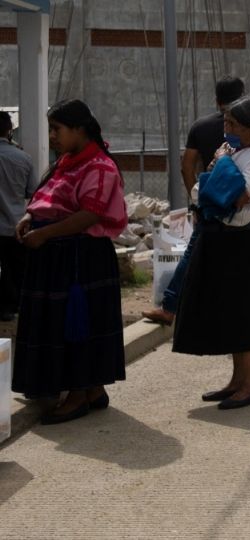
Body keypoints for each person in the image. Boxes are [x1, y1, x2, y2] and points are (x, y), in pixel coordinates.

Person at [12, 99, 128, 424]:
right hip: (56, 256)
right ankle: (92, 388)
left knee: (74, 325)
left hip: (79, 259)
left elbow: (89, 213)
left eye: (57, 129)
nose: (52, 136)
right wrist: (29, 216)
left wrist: (45, 235)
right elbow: (47, 198)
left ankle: (77, 395)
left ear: (79, 129)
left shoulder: (100, 167)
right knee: (66, 323)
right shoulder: (68, 162)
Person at [173, 96, 250, 410]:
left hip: (243, 240)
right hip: (221, 236)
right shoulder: (234, 150)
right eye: (226, 122)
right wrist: (216, 173)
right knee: (229, 312)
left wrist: (220, 167)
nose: (226, 128)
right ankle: (235, 382)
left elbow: (239, 195)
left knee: (245, 312)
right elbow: (204, 189)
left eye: (233, 124)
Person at [142, 76, 246, 325]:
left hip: (210, 203)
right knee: (233, 262)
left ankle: (171, 308)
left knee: (193, 255)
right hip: (242, 206)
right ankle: (227, 314)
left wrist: (196, 196)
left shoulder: (201, 126)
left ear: (217, 99)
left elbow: (186, 165)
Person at [0, 110, 37, 321]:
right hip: (14, 226)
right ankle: (13, 308)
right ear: (10, 132)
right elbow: (33, 192)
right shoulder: (23, 158)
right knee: (15, 270)